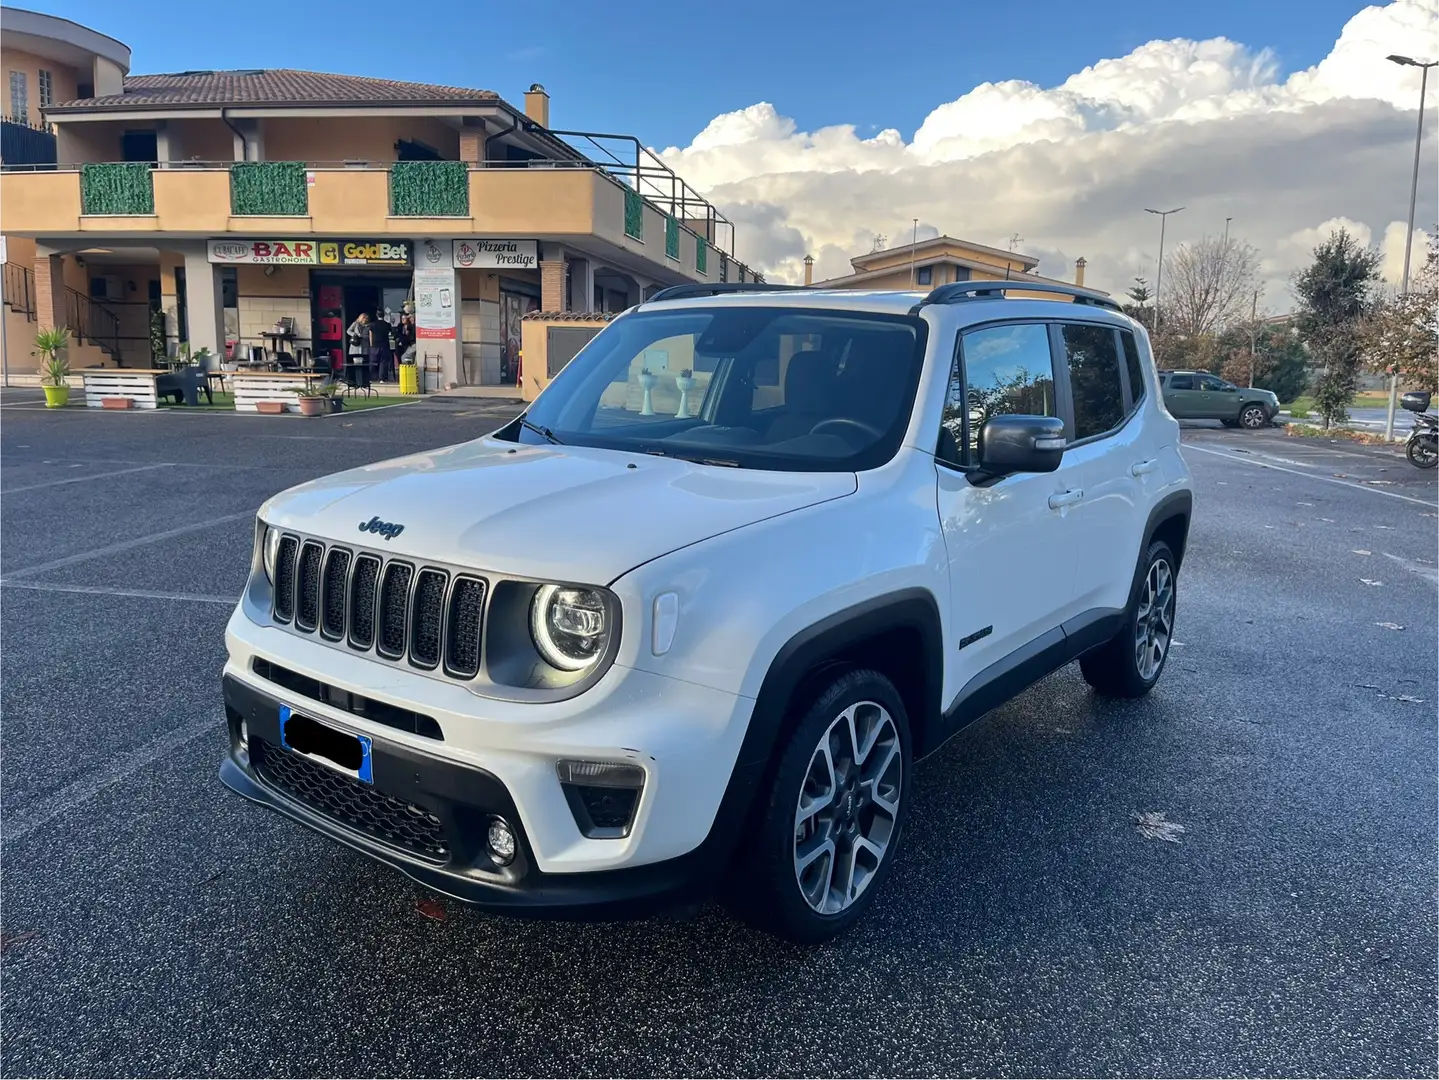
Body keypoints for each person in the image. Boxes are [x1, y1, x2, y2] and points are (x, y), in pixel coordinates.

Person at [367, 308, 392, 382]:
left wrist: (371, 345)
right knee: (383, 362)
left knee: (372, 362)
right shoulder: (387, 324)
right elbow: (389, 334)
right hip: (384, 345)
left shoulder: (372, 324)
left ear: (376, 315)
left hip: (374, 346)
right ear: (384, 315)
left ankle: (370, 378)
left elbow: (370, 336)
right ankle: (381, 379)